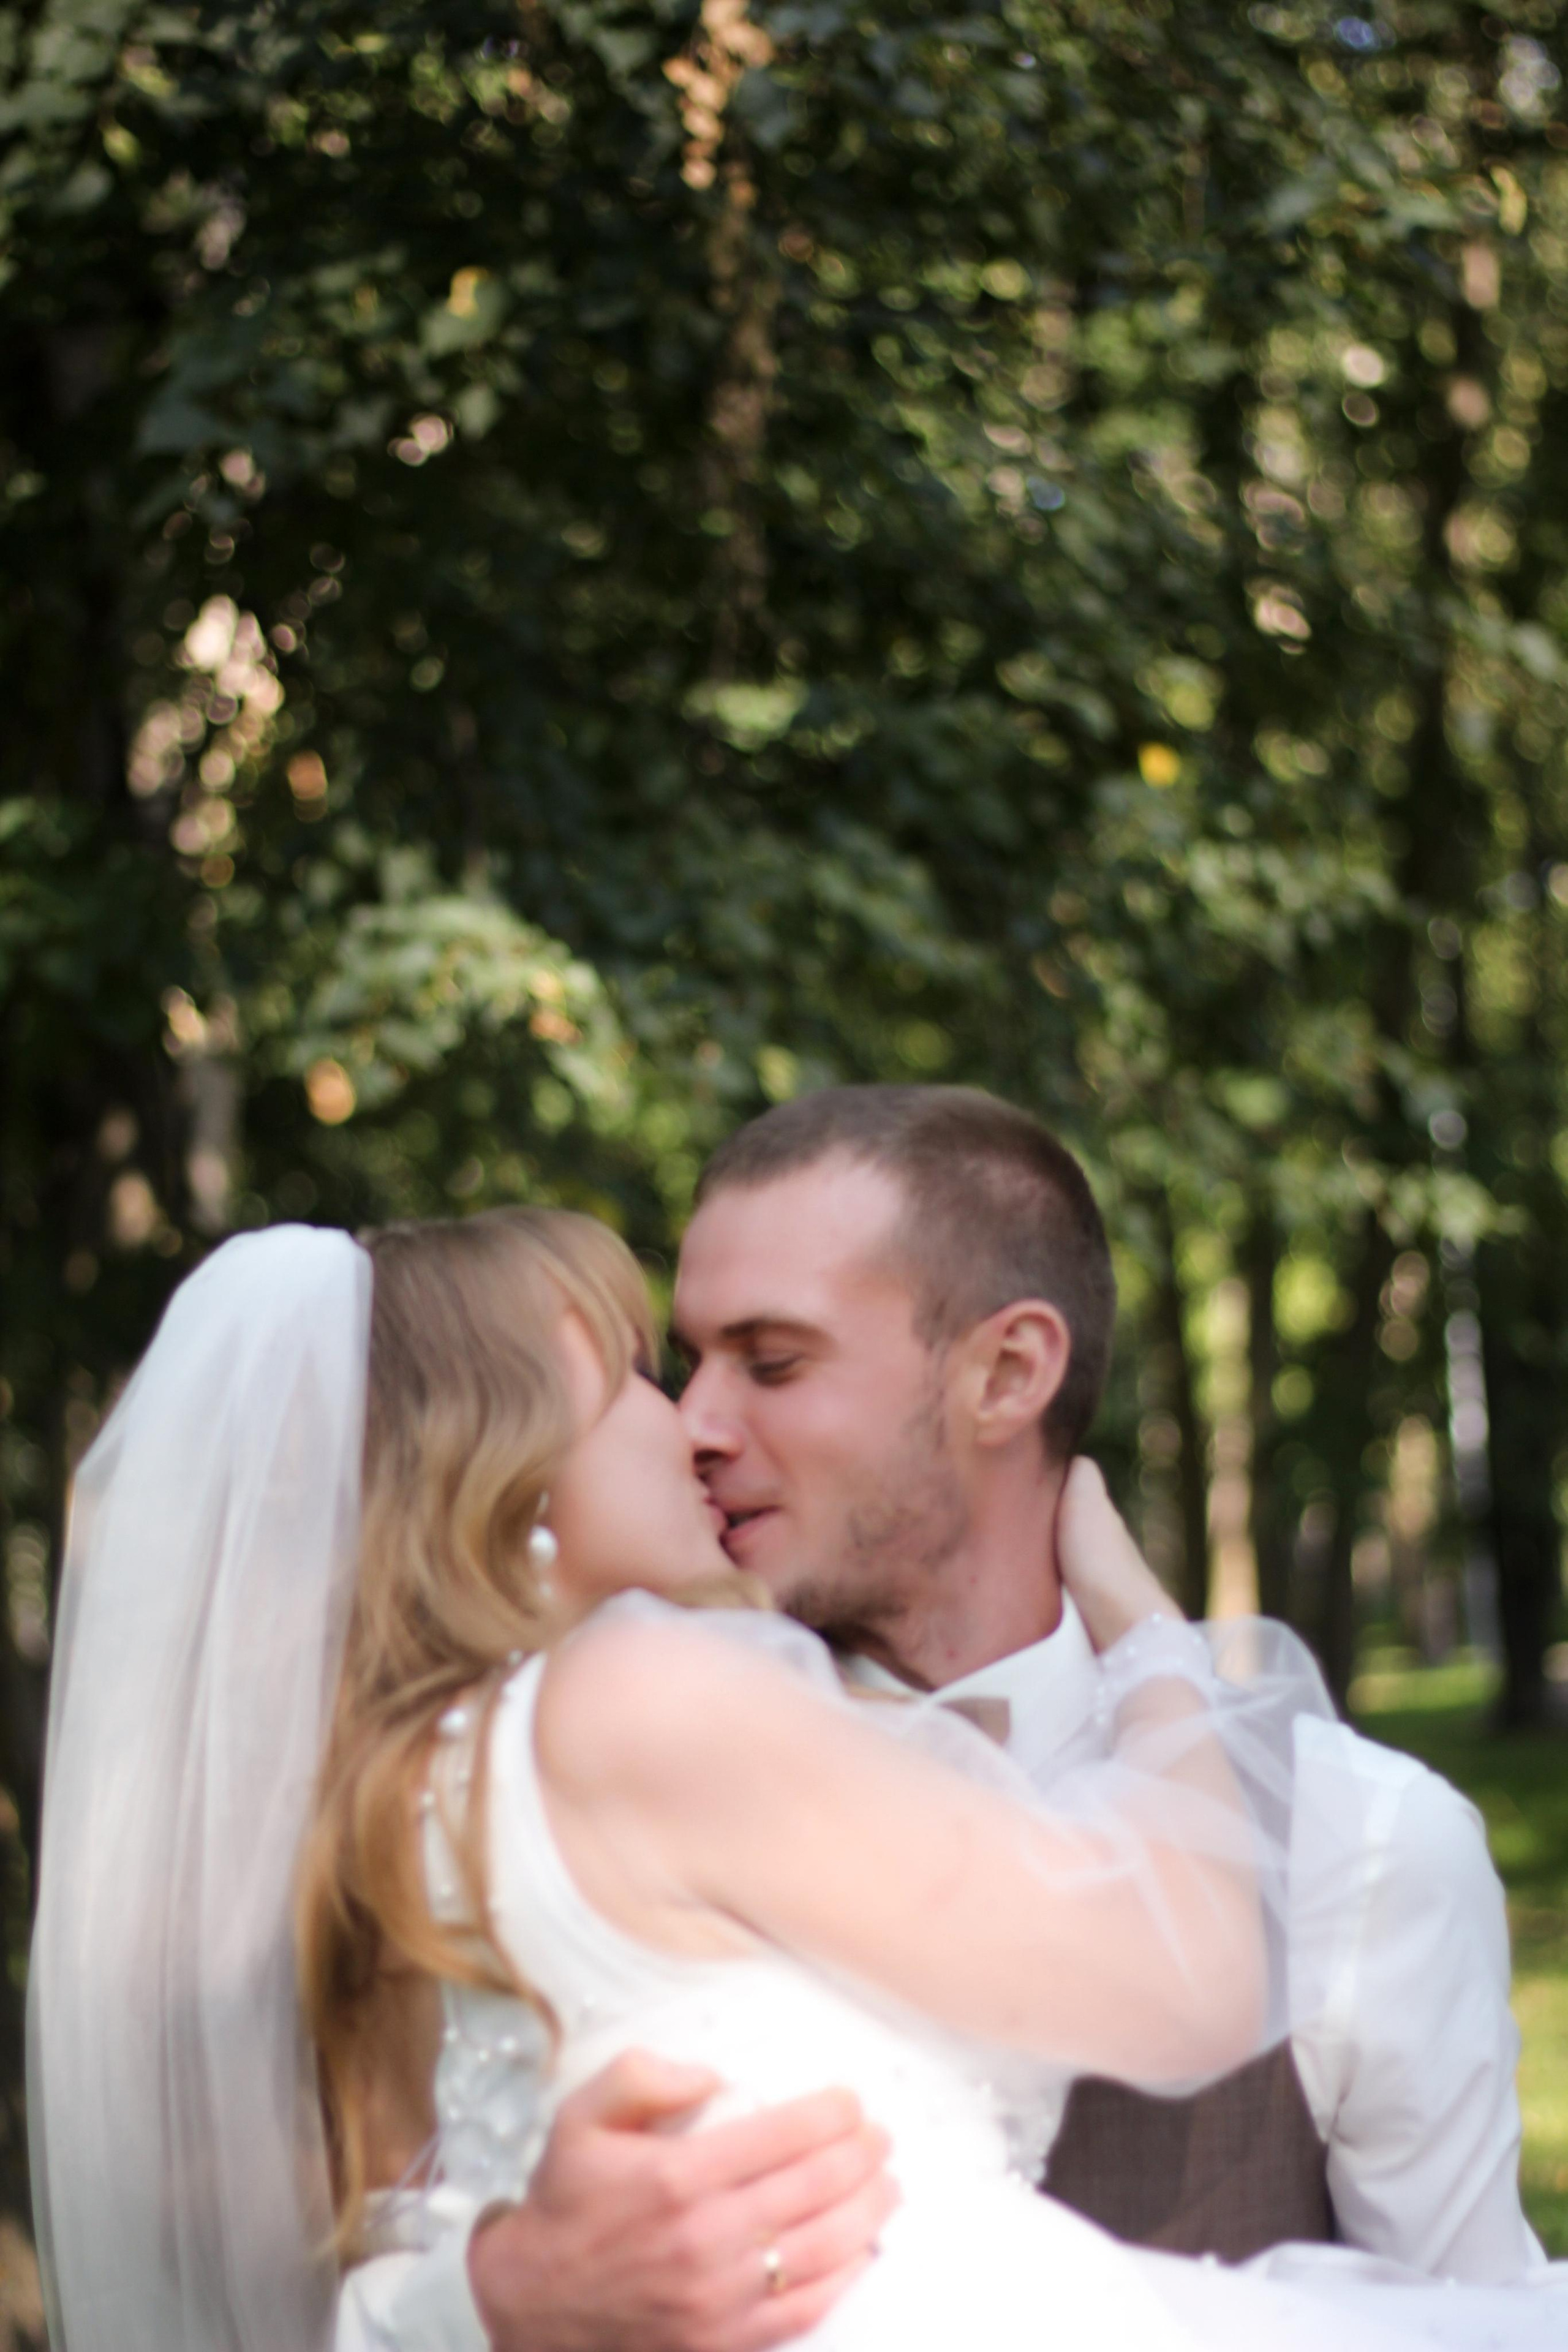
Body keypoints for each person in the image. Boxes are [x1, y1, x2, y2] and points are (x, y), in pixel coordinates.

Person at [28, 1209, 1566, 2352]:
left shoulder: (407, 1800)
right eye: (639, 1374)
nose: (692, 1425)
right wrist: (1152, 1637)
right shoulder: (635, 1702)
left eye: (756, 1364)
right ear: (502, 1472)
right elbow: (1190, 1972)